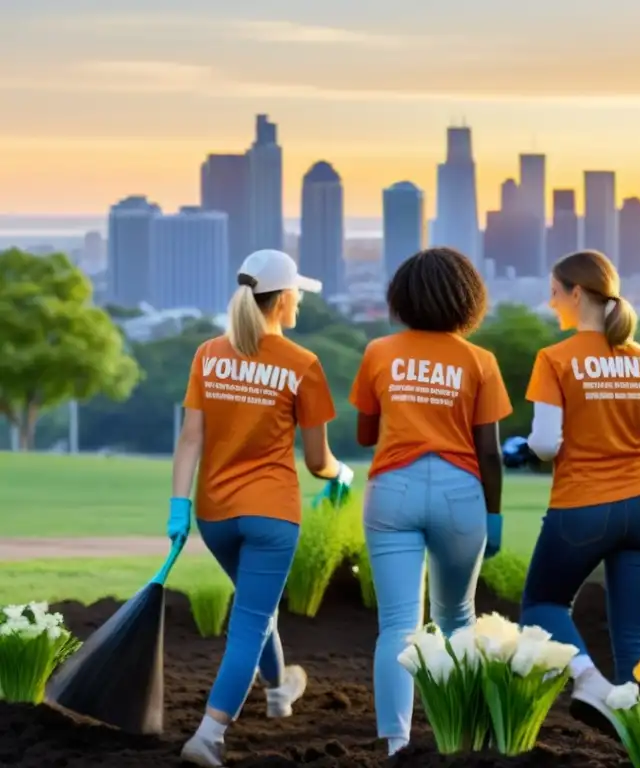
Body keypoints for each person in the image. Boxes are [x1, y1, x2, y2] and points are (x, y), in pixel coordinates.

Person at [169, 249, 351, 767]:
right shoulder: (303, 365)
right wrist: (343, 473)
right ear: (283, 298)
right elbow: (318, 462)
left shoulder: (208, 353)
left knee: (257, 608)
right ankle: (208, 735)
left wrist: (178, 506)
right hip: (272, 514)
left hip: (215, 514)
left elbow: (189, 440)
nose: (300, 301)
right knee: (249, 621)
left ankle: (278, 691)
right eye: (297, 292)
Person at [348, 246, 512, 756]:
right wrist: (495, 515)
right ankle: (462, 736)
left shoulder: (379, 352)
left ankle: (397, 744)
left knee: (397, 624)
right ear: (469, 299)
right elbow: (489, 450)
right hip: (461, 493)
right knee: (458, 618)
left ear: (401, 298)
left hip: (392, 490)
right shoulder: (480, 360)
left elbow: (363, 433)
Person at [518, 249, 640, 731]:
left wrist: (531, 444)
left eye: (554, 294)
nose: (551, 305)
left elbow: (546, 444)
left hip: (583, 507)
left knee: (542, 606)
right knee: (634, 643)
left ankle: (589, 682)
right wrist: (622, 438)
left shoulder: (555, 359)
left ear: (576, 293)